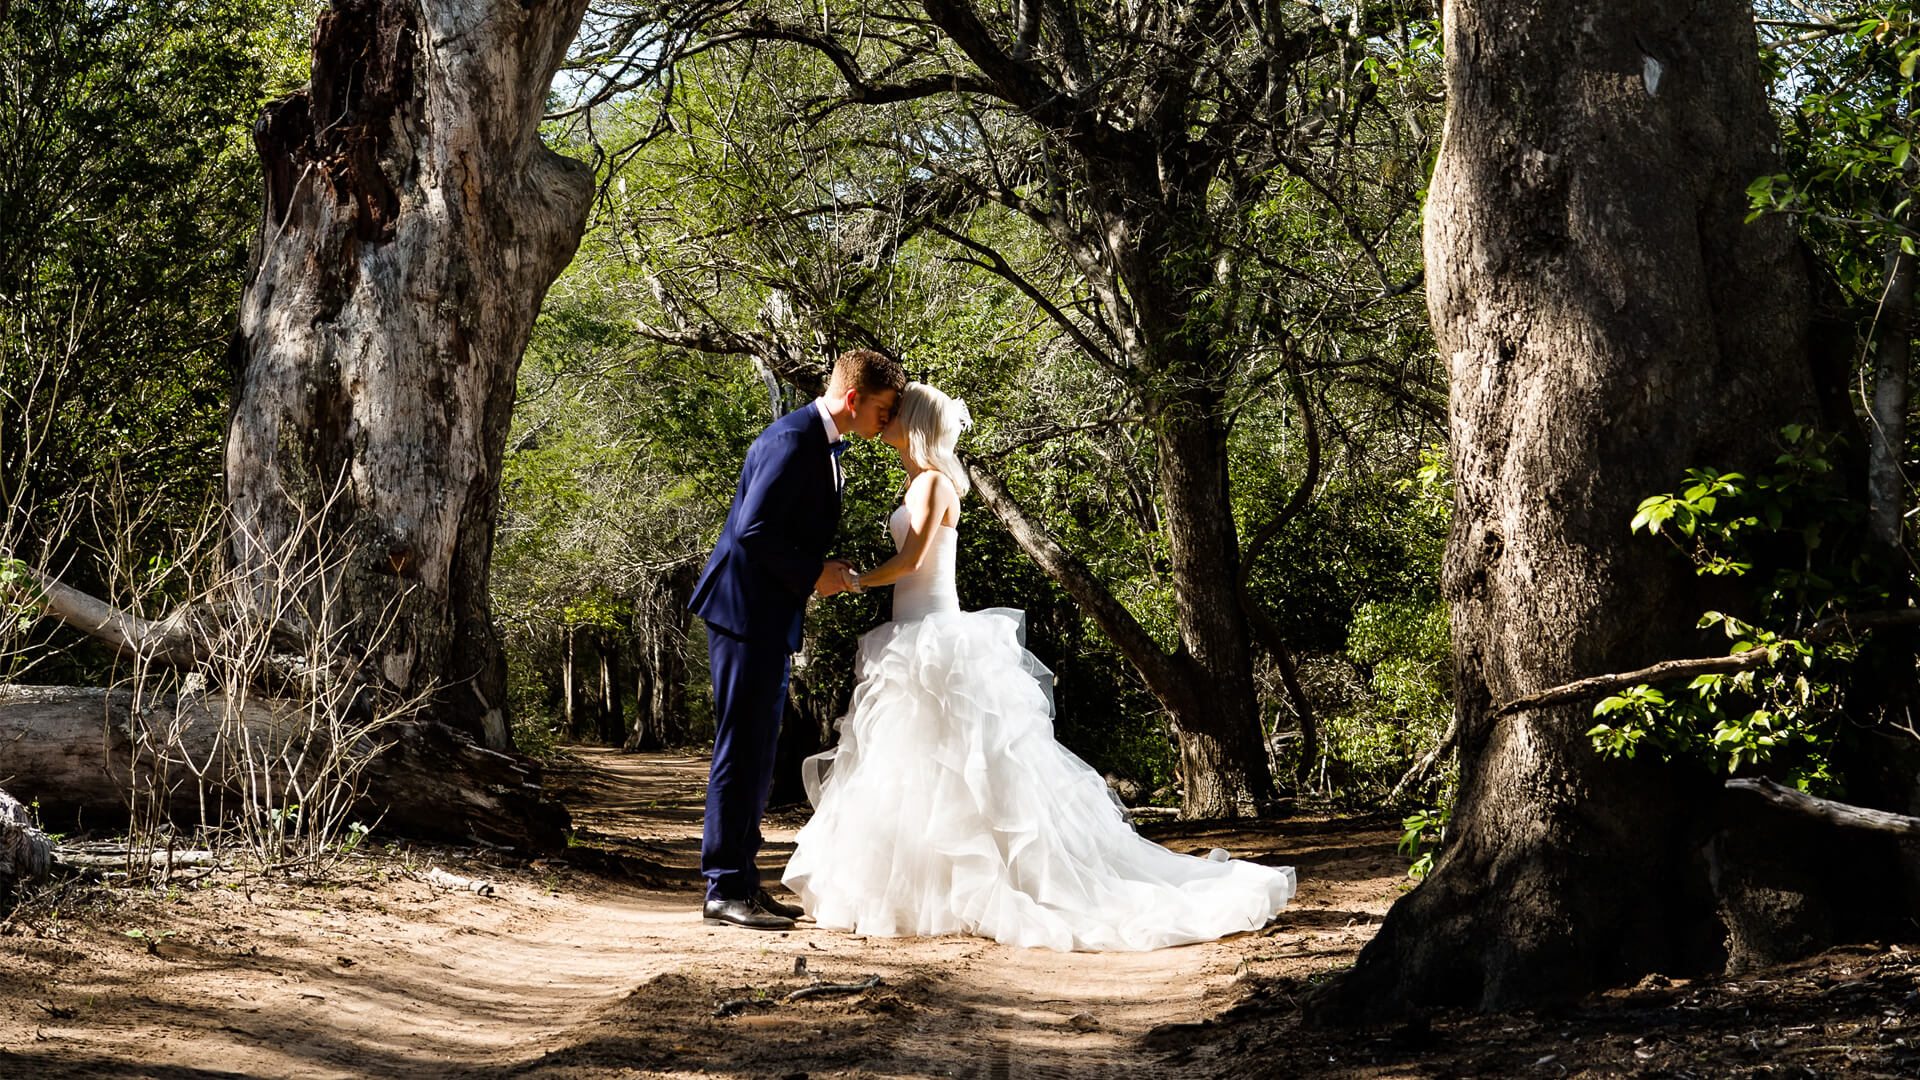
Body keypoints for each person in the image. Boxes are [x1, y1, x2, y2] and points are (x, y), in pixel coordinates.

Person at [782, 383, 1297, 951]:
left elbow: (913, 561)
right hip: (912, 634)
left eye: (898, 412)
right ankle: (926, 891)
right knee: (916, 769)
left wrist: (853, 579)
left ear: (916, 424)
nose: (889, 418)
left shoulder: (933, 483)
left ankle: (977, 888)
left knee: (955, 768)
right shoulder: (917, 482)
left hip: (936, 634)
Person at [689, 348, 906, 930]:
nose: (886, 422)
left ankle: (742, 880)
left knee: (760, 749)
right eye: (883, 410)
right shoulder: (790, 440)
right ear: (854, 400)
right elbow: (752, 532)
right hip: (743, 613)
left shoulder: (823, 443)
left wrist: (818, 567)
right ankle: (723, 888)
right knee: (741, 747)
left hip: (768, 614)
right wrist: (815, 573)